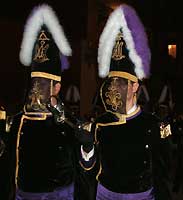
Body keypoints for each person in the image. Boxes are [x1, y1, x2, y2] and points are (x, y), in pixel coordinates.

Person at [77, 4, 173, 200]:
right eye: (112, 82)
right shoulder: (100, 123)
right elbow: (88, 169)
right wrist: (86, 148)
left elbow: (165, 173)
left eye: (121, 83)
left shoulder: (153, 124)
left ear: (135, 86)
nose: (115, 88)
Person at [7, 4, 81, 200]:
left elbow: (81, 167)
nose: (36, 88)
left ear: (56, 88)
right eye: (35, 83)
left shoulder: (67, 124)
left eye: (42, 83)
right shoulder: (16, 121)